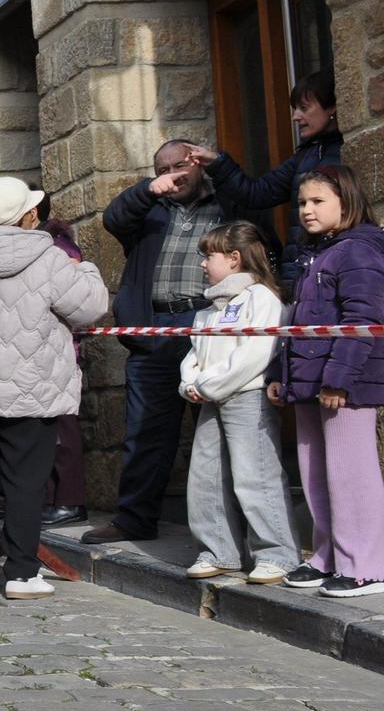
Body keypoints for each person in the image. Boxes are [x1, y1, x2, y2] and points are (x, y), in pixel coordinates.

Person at [0, 177, 109, 600]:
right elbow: (92, 306)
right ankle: (22, 572)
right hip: (31, 388)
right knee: (25, 483)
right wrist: (87, 268)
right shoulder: (47, 258)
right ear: (27, 216)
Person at [84, 140, 272, 545]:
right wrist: (146, 190)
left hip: (210, 323)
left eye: (180, 166)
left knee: (220, 432)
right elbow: (115, 218)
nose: (173, 174)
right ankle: (134, 520)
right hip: (153, 329)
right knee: (145, 432)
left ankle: (235, 530)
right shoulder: (149, 209)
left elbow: (258, 216)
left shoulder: (228, 203)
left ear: (197, 164)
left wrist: (222, 167)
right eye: (163, 168)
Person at [268, 165, 384, 598]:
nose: (307, 211)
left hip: (344, 385)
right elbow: (299, 324)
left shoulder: (360, 250)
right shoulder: (319, 253)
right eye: (302, 203)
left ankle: (366, 564)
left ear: (346, 202)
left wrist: (338, 380)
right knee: (316, 471)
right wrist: (284, 376)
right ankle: (328, 555)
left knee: (350, 473)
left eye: (318, 201)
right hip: (309, 381)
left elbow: (363, 321)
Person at [178, 223, 299, 584]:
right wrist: (191, 383)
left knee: (254, 474)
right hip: (211, 397)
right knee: (206, 476)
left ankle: (278, 553)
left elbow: (255, 353)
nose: (202, 263)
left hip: (245, 396)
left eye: (208, 256)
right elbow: (194, 353)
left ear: (234, 259)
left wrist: (209, 384)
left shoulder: (260, 298)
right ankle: (220, 550)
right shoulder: (209, 308)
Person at [198, 70, 343, 288]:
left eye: (304, 108)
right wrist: (216, 163)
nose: (296, 116)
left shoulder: (346, 151)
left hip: (335, 268)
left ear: (332, 106)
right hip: (300, 270)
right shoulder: (305, 156)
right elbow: (257, 193)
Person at [38, 197, 89, 529]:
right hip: (38, 351)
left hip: (59, 350)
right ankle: (48, 497)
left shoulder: (60, 248)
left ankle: (70, 500)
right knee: (45, 432)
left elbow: (72, 299)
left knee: (63, 430)